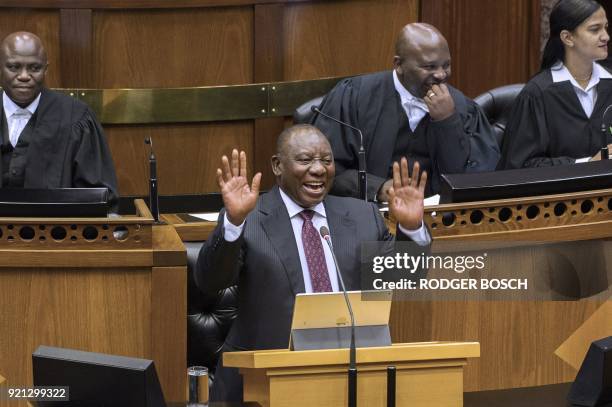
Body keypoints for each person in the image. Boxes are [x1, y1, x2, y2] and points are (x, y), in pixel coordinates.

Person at [195, 124, 430, 401]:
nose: (319, 169)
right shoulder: (251, 217)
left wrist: (412, 229)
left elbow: (401, 277)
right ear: (278, 166)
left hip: (352, 377)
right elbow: (210, 281)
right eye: (305, 160)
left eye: (326, 161)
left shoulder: (362, 216)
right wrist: (233, 223)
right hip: (264, 382)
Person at [312, 23, 500, 200]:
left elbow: (478, 180)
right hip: (367, 217)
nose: (441, 74)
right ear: (399, 65)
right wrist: (377, 188)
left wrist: (447, 123)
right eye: (429, 67)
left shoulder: (463, 108)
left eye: (446, 65)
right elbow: (325, 168)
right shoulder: (354, 96)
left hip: (441, 222)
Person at [0, 31, 119, 207]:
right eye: (14, 67)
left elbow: (98, 199)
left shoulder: (76, 117)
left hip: (58, 232)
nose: (24, 76)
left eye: (34, 68)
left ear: (46, 69)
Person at [500, 0, 612, 169]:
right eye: (595, 29)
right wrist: (587, 164)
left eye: (606, 27)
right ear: (567, 37)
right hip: (560, 194)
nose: (606, 36)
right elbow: (521, 166)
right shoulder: (537, 94)